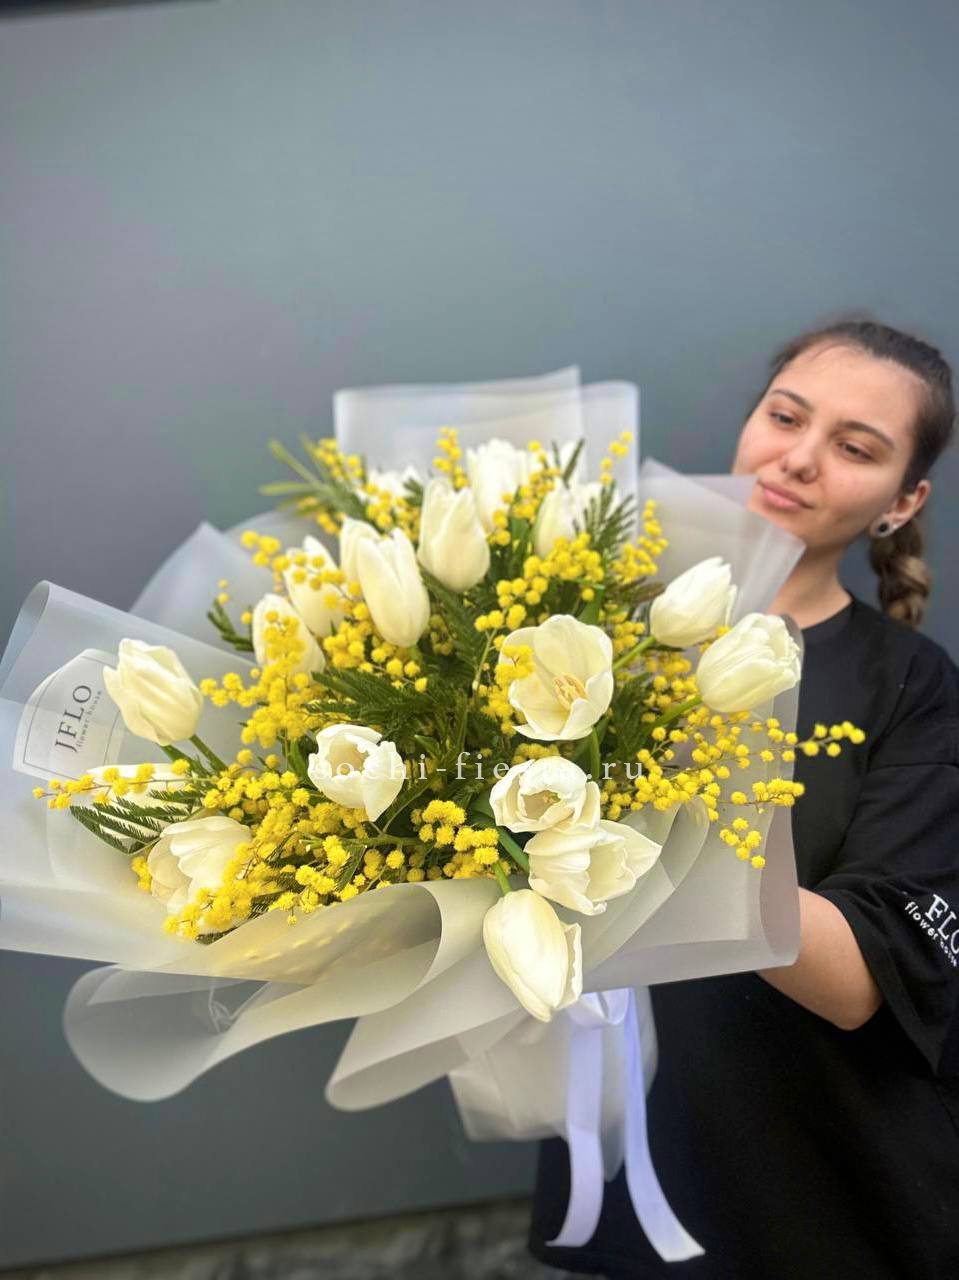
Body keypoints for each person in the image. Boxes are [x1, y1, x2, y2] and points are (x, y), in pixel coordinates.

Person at [528, 316, 959, 1279]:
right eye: (785, 417)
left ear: (901, 501)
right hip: (627, 1151)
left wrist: (678, 806)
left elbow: (862, 983)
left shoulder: (911, 688)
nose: (799, 458)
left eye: (854, 448)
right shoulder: (593, 629)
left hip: (821, 1195)